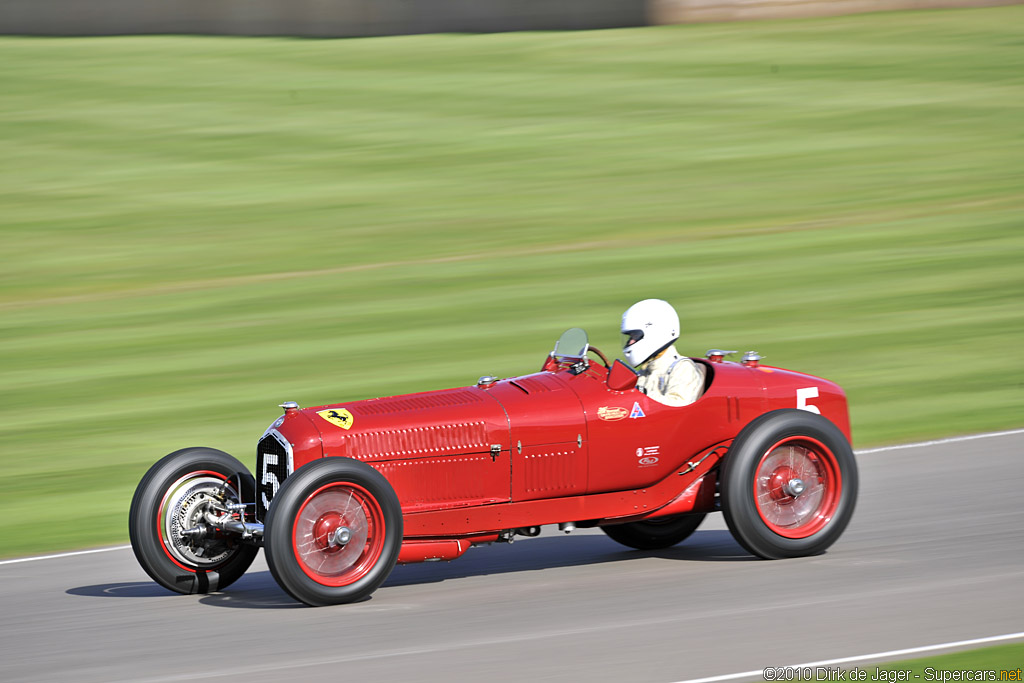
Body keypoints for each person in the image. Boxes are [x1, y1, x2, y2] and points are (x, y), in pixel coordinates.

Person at [621, 299, 705, 407]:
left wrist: (643, 395)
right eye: (630, 337)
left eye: (635, 336)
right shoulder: (647, 370)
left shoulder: (682, 368)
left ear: (655, 333)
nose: (631, 342)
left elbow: (679, 405)